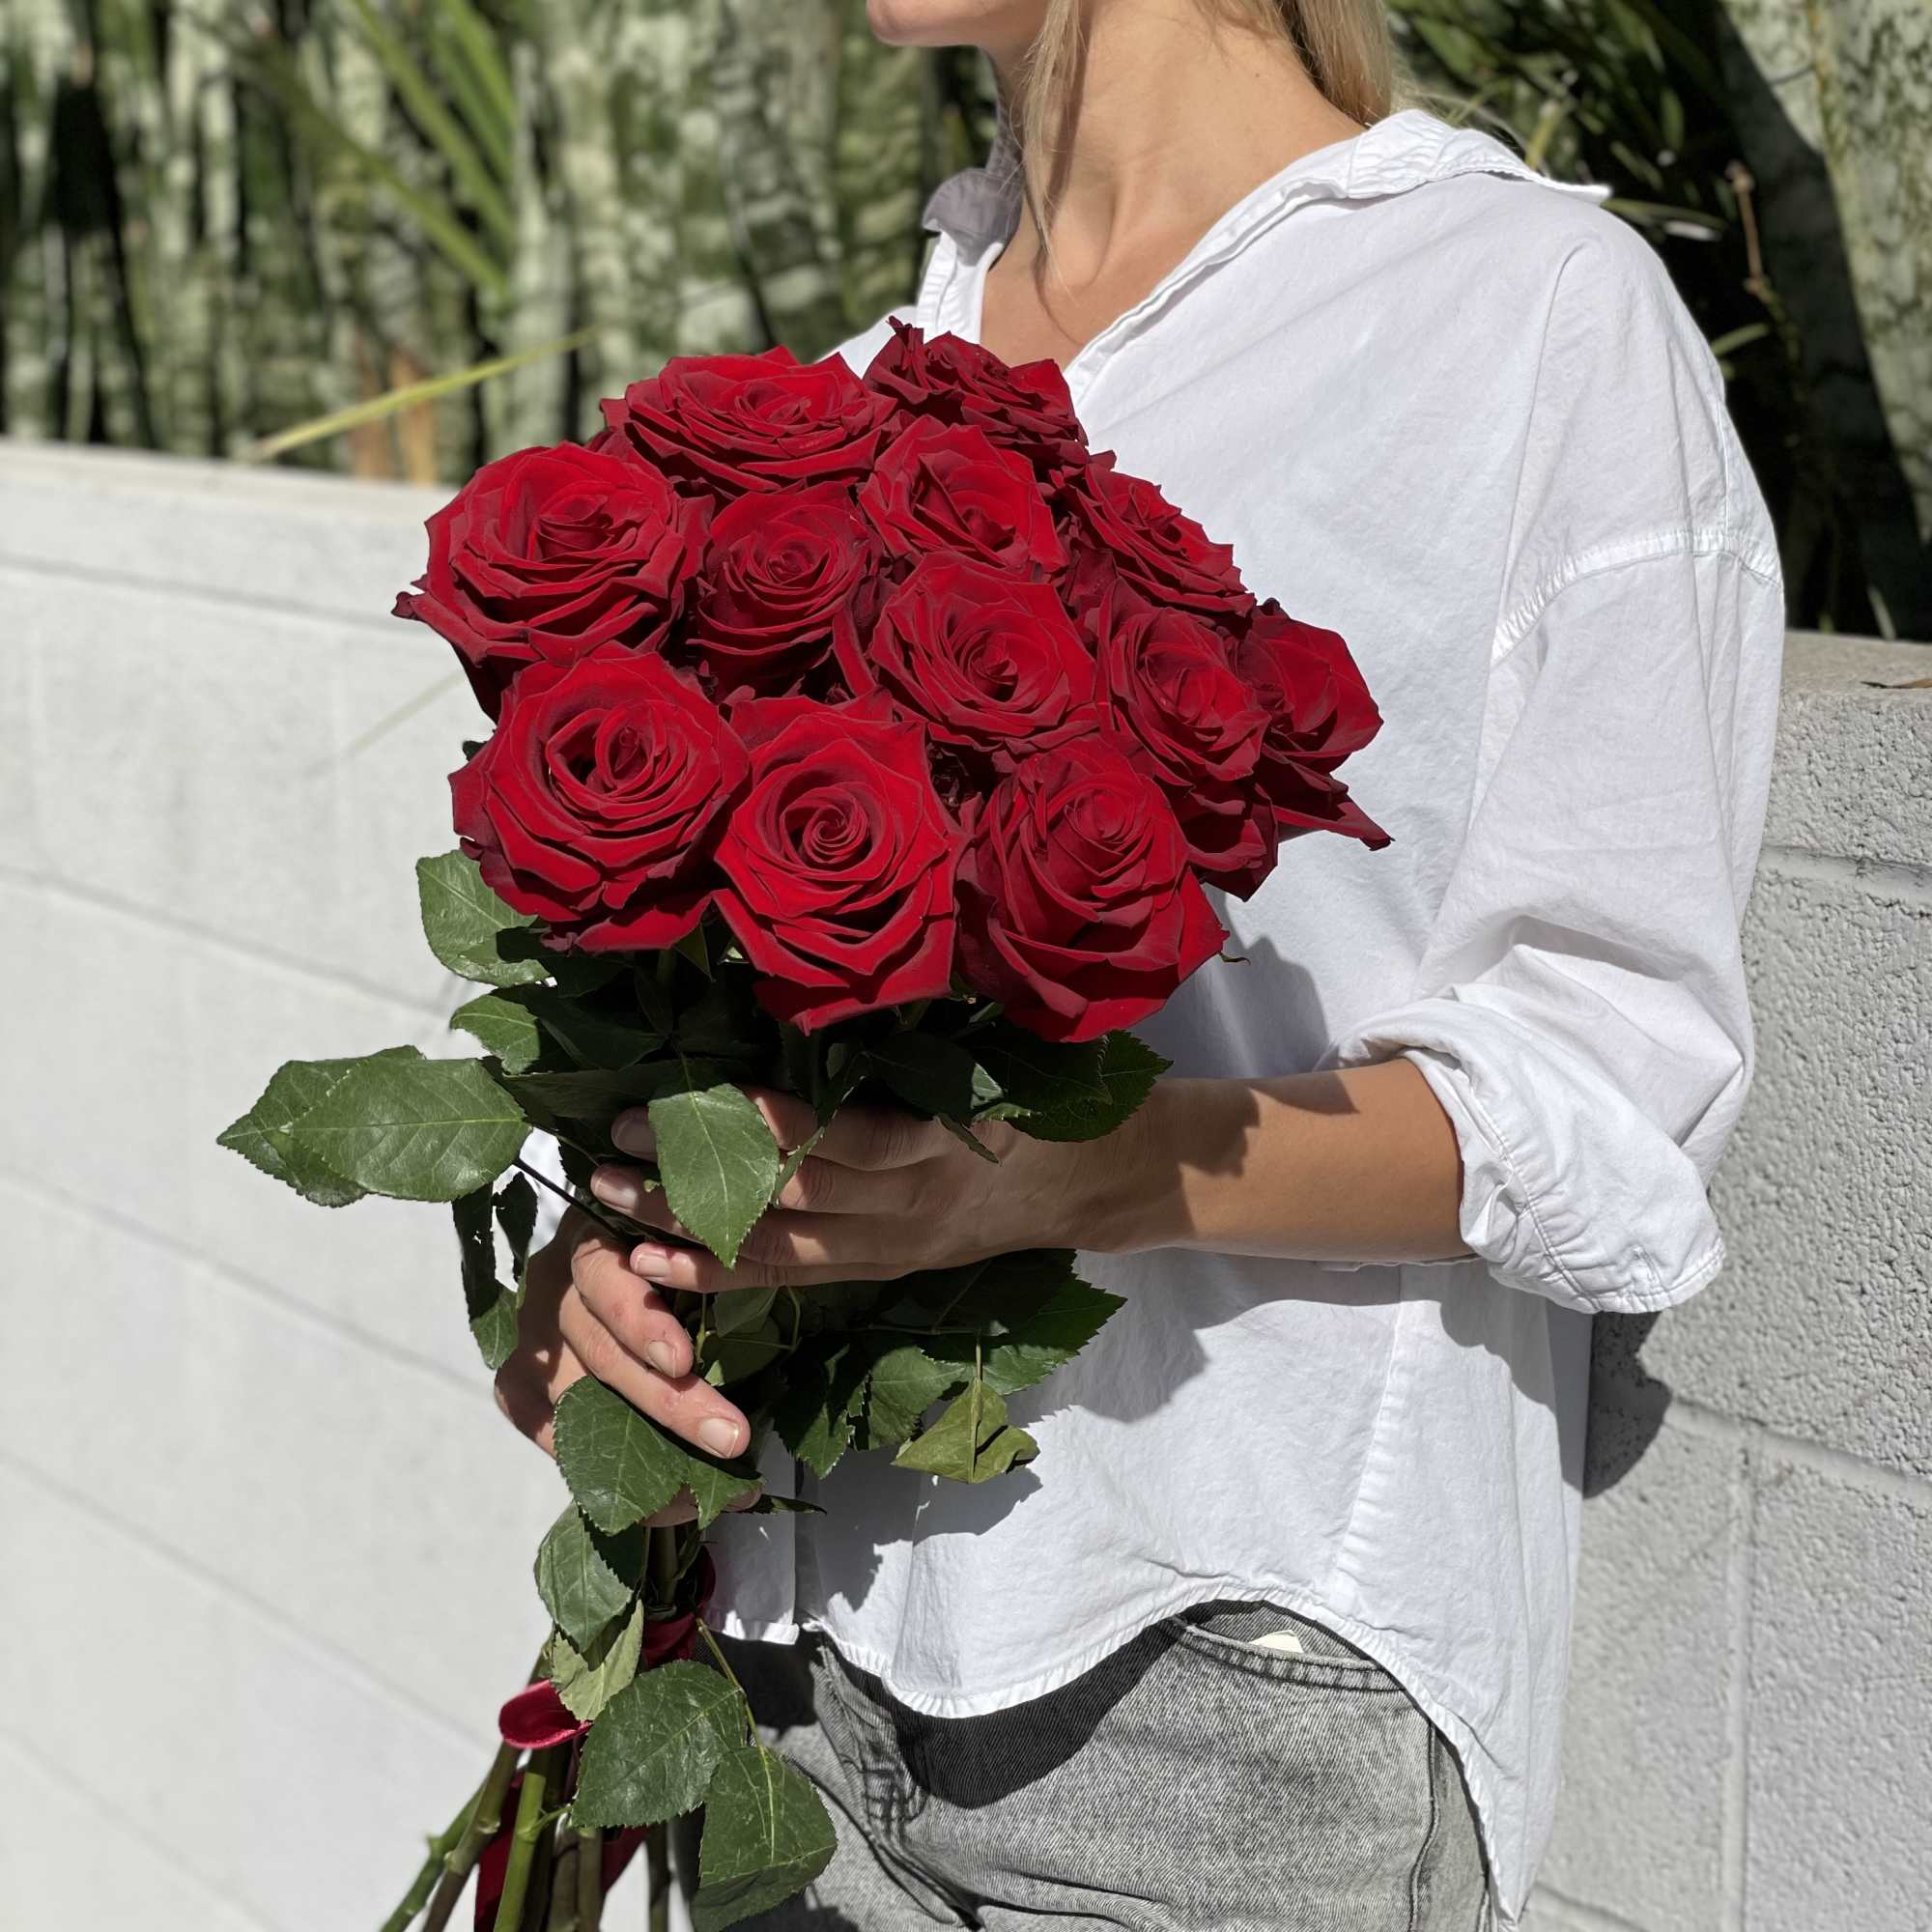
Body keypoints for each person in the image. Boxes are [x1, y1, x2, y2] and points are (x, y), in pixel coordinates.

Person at [494, 2, 1785, 1924]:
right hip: (786, 1681)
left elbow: (1605, 1087)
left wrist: (1097, 1163)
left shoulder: (1523, 315)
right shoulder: (866, 387)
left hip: (1220, 1697)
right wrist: (610, 1279)